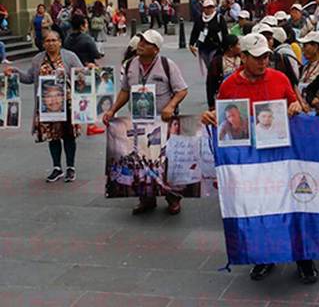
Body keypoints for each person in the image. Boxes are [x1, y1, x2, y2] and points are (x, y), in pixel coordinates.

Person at [200, 32, 312, 282]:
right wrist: (208, 116)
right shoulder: (229, 85)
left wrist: (296, 107)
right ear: (243, 57)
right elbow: (220, 116)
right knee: (260, 208)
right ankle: (264, 257)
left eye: (266, 57)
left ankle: (304, 259)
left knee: (293, 205)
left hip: (282, 156)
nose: (263, 62)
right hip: (250, 162)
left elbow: (297, 105)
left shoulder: (280, 78)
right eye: (258, 58)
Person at [102, 30, 189, 215]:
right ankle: (146, 199)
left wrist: (171, 106)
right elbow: (125, 91)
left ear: (156, 49)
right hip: (139, 121)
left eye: (146, 42)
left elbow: (182, 90)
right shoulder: (131, 65)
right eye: (140, 40)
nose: (140, 44)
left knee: (165, 162)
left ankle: (173, 198)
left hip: (162, 122)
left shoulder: (168, 65)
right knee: (142, 161)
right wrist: (112, 110)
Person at [5, 30, 83, 182]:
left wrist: (90, 69)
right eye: (48, 41)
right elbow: (29, 78)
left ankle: (70, 167)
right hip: (47, 105)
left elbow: (81, 75)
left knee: (68, 135)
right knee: (52, 136)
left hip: (66, 103)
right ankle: (57, 167)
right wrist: (14, 72)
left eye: (54, 40)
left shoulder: (70, 57)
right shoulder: (37, 59)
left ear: (60, 42)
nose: (51, 43)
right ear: (43, 44)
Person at [190, 0, 229, 76]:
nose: (209, 9)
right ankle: (212, 78)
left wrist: (226, 46)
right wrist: (191, 44)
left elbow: (224, 32)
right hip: (203, 47)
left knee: (212, 64)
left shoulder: (219, 18)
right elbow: (195, 32)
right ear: (203, 8)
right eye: (207, 7)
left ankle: (215, 78)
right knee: (208, 66)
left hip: (215, 46)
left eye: (211, 7)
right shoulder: (200, 18)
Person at [205, 34, 241, 109]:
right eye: (238, 44)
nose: (240, 46)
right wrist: (211, 104)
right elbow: (211, 83)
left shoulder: (242, 59)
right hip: (224, 96)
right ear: (231, 47)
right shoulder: (217, 62)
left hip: (240, 95)